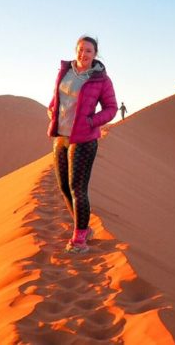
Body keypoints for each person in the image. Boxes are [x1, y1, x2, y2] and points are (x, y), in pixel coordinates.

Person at [47, 35, 117, 253]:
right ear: (75, 50)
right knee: (64, 187)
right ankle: (83, 227)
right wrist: (51, 109)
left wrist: (90, 122)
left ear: (95, 54)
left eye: (88, 51)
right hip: (61, 137)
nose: (83, 54)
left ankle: (79, 239)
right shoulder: (64, 72)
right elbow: (57, 98)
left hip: (84, 140)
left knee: (78, 188)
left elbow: (111, 108)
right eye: (80, 49)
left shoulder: (101, 80)